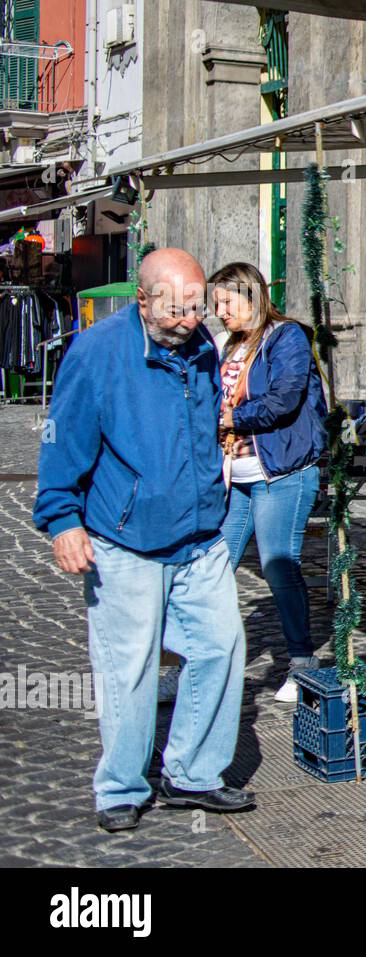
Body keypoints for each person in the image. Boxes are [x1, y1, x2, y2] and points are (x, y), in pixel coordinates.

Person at [34, 248, 254, 832]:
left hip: (200, 535)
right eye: (177, 310)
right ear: (143, 299)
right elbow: (62, 442)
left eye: (197, 307)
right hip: (124, 540)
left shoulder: (201, 345)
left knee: (218, 648)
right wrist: (62, 520)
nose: (190, 320)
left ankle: (192, 774)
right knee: (127, 668)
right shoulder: (97, 353)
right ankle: (121, 787)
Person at [210, 263, 328, 703]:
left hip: (281, 473)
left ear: (253, 296)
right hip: (234, 476)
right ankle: (201, 665)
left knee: (279, 568)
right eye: (215, 303)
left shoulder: (287, 338)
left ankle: (301, 662)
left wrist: (229, 417)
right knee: (213, 569)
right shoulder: (228, 344)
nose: (219, 311)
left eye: (226, 301)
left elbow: (284, 398)